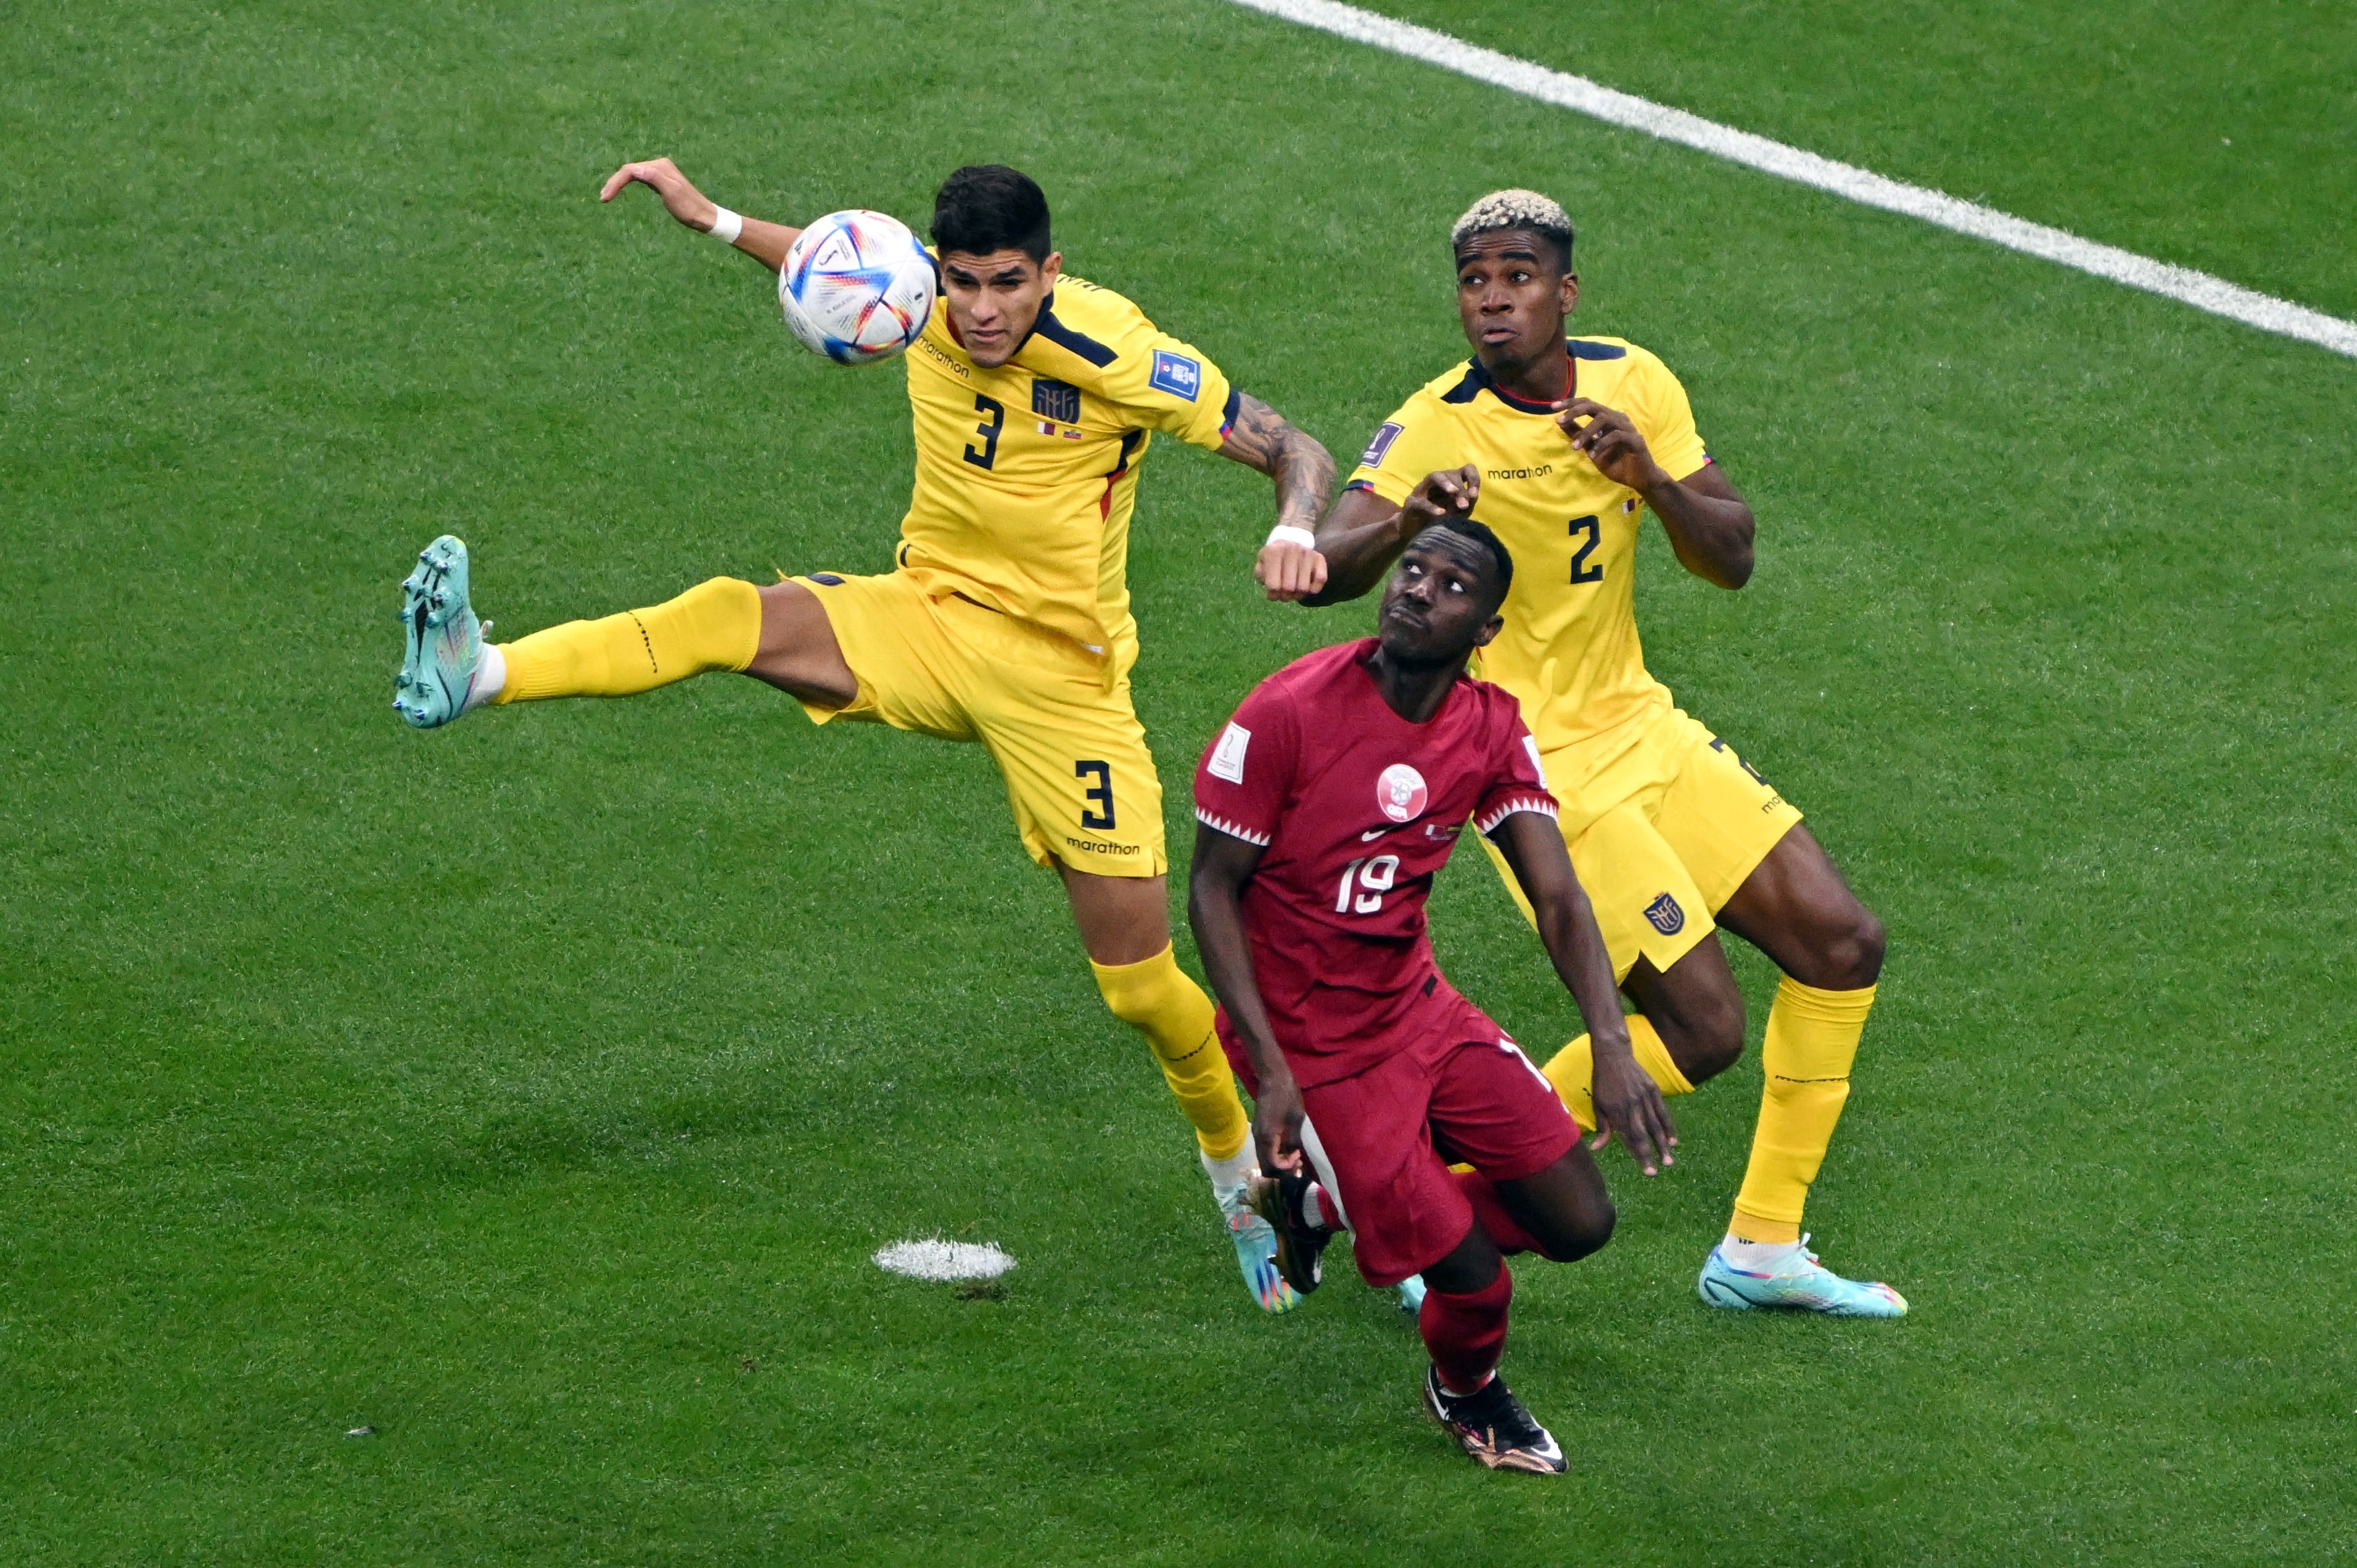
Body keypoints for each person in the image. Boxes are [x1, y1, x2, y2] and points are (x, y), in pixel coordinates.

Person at [390, 159, 1338, 1314]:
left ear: (1049, 272)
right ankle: (477, 671)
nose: (980, 312)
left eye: (1006, 285)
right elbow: (840, 266)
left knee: (1140, 989)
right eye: (961, 285)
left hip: (1063, 685)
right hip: (926, 614)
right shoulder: (919, 304)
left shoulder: (1114, 350)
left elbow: (1293, 446)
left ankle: (1243, 1180)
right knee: (722, 616)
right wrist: (718, 220)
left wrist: (1298, 527)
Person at [1280, 189, 1905, 1316]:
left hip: (1644, 724)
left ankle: (1760, 1250)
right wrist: (1408, 521)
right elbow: (1327, 567)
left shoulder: (1635, 382)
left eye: (1516, 277)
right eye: (1474, 281)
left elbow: (1732, 559)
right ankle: (1402, 1195)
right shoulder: (1439, 419)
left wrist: (1650, 481)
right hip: (1536, 770)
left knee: (1842, 944)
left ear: (1564, 292)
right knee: (1702, 1029)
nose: (1492, 301)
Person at [1188, 520, 1676, 1472]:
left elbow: (1558, 896)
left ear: (1484, 628)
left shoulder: (1488, 727)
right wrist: (1272, 1070)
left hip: (1416, 1010)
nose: (1416, 589)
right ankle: (1468, 1396)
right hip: (1308, 1050)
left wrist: (1610, 1043)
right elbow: (1211, 889)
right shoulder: (1288, 711)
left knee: (1580, 1222)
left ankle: (1317, 1210)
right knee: (1473, 1281)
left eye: (1451, 586)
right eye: (1413, 569)